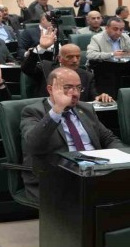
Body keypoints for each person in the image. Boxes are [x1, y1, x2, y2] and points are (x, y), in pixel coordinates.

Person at [20, 68, 124, 201]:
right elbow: (33, 144)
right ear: (50, 89)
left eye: (78, 88)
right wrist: (57, 110)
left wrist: (125, 158)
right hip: (56, 177)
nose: (75, 93)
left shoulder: (85, 109)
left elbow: (108, 138)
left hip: (94, 171)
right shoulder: (33, 111)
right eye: (68, 88)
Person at [22, 42, 114, 102]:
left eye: (77, 57)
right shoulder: (46, 67)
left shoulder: (87, 76)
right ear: (59, 58)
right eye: (70, 57)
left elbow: (93, 98)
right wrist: (41, 47)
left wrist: (100, 98)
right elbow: (26, 69)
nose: (75, 60)